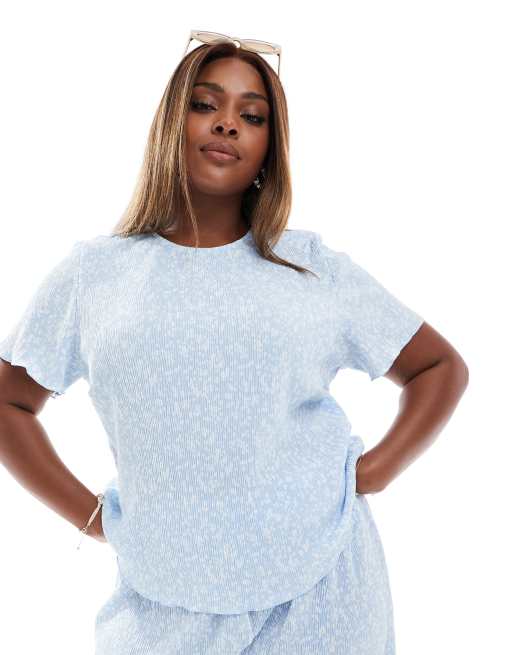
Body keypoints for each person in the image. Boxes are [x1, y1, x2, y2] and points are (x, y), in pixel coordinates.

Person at [0, 32, 469, 655]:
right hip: (160, 599)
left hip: (321, 589)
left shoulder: (310, 269)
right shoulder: (96, 276)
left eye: (252, 116)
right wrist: (90, 517)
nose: (227, 124)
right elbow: (9, 403)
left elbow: (438, 366)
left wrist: (376, 471)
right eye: (205, 105)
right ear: (171, 123)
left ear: (270, 149)